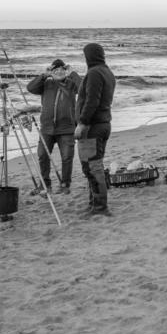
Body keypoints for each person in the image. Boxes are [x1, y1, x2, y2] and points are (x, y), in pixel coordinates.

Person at [27, 58, 82, 194]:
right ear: (51, 72)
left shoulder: (71, 84)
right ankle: (45, 185)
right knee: (42, 155)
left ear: (65, 70)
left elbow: (83, 88)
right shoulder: (46, 83)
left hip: (67, 128)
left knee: (67, 157)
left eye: (61, 69)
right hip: (47, 128)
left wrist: (72, 73)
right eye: (55, 70)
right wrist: (44, 75)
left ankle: (65, 185)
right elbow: (30, 88)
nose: (58, 72)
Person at [75, 43, 116, 216]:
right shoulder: (107, 72)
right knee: (93, 166)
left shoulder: (94, 73)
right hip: (103, 124)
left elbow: (92, 100)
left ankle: (100, 207)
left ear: (89, 57)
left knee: (92, 167)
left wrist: (82, 123)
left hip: (93, 127)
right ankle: (94, 203)